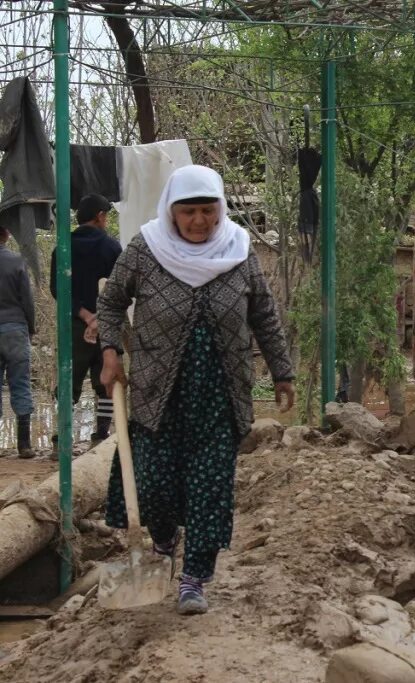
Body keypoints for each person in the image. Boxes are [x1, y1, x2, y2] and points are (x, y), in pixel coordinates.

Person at [97, 165, 294, 615]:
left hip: (219, 395)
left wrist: (283, 372)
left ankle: (194, 579)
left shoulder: (239, 250)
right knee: (154, 486)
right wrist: (111, 353)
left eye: (208, 210)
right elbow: (111, 303)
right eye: (190, 212)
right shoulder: (146, 248)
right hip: (155, 394)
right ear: (172, 211)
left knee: (209, 488)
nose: (200, 221)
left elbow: (263, 314)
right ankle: (165, 540)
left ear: (221, 209)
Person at [49, 194, 122, 446]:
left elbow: (58, 289)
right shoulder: (113, 248)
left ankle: (62, 438)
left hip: (73, 325)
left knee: (69, 380)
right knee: (105, 381)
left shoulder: (63, 247)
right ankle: (101, 436)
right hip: (107, 325)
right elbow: (119, 289)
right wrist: (100, 318)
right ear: (100, 216)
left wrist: (85, 315)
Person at [0, 224, 36, 458]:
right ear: (7, 234)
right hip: (14, 328)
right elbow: (28, 301)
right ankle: (24, 444)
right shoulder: (17, 261)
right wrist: (30, 328)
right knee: (20, 383)